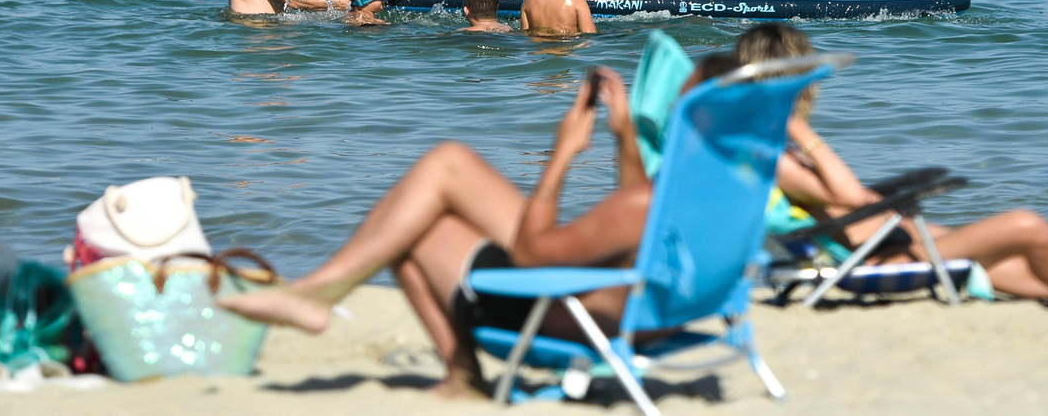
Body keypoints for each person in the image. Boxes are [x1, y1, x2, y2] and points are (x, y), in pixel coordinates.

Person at [220, 58, 736, 397]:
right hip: (639, 303)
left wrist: (562, 155)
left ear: (702, 115)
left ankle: (329, 299)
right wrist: (623, 137)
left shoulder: (646, 204)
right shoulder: (728, 188)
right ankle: (326, 297)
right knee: (441, 176)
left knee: (417, 219)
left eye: (681, 102)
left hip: (565, 308)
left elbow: (534, 257)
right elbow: (637, 222)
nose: (671, 109)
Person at [737, 24, 1048, 305]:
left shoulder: (772, 147)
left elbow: (846, 200)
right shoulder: (774, 151)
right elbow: (847, 197)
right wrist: (800, 129)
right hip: (884, 255)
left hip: (895, 236)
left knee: (1037, 275)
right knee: (1028, 226)